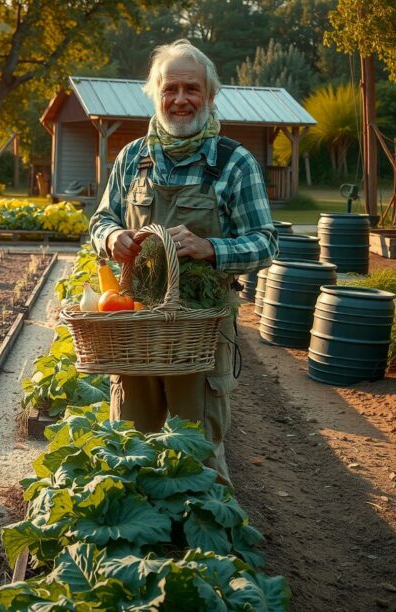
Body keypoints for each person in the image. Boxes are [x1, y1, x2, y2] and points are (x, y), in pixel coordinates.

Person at [89, 39, 277, 484]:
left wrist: (211, 249)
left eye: (190, 89)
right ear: (156, 94)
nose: (179, 99)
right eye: (169, 88)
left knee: (196, 449)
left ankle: (203, 543)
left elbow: (267, 242)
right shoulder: (132, 158)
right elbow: (101, 218)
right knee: (133, 440)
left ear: (210, 96)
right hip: (134, 327)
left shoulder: (234, 163)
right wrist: (112, 236)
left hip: (200, 329)